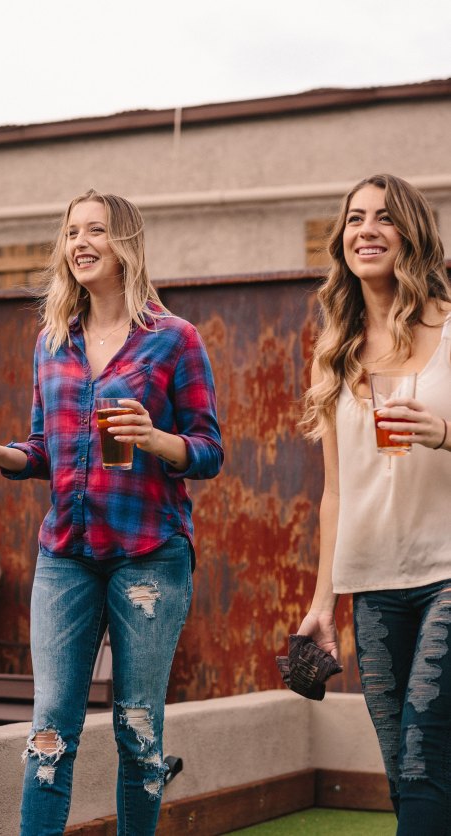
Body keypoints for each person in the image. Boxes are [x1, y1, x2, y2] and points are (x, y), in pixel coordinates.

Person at [0, 189, 223, 835]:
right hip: (65, 555)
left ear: (125, 244)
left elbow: (209, 451)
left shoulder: (175, 340)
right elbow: (45, 449)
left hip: (150, 556)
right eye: (72, 233)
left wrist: (155, 438)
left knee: (138, 728)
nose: (81, 244)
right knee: (49, 730)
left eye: (96, 231)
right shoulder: (53, 342)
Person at [297, 173, 451, 834]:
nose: (367, 229)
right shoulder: (334, 354)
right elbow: (336, 492)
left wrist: (444, 433)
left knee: (420, 756)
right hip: (374, 582)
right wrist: (320, 604)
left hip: (447, 569)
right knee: (401, 765)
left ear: (409, 233)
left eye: (384, 218)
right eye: (355, 218)